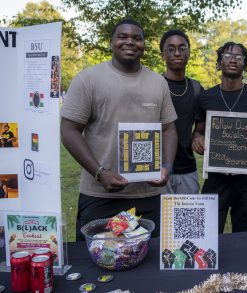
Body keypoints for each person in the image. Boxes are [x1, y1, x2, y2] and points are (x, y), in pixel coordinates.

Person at [61, 19, 178, 240]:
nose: (130, 42)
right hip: (100, 195)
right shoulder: (88, 79)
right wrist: (99, 173)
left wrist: (167, 167)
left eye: (137, 38)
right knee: (97, 262)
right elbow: (69, 130)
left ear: (144, 44)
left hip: (148, 195)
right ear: (111, 42)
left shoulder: (158, 83)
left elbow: (169, 129)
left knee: (148, 266)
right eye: (122, 37)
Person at [192, 42, 247, 233]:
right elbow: (198, 131)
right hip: (215, 179)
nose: (233, 59)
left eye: (239, 56)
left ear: (245, 64)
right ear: (219, 63)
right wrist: (197, 139)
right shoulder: (205, 97)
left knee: (244, 234)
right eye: (227, 56)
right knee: (209, 232)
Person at [159, 29, 203, 194]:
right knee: (157, 220)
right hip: (156, 169)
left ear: (189, 52)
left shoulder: (197, 88)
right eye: (170, 49)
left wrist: (198, 135)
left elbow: (200, 127)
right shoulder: (153, 85)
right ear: (163, 54)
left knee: (186, 220)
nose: (177, 53)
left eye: (182, 48)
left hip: (187, 170)